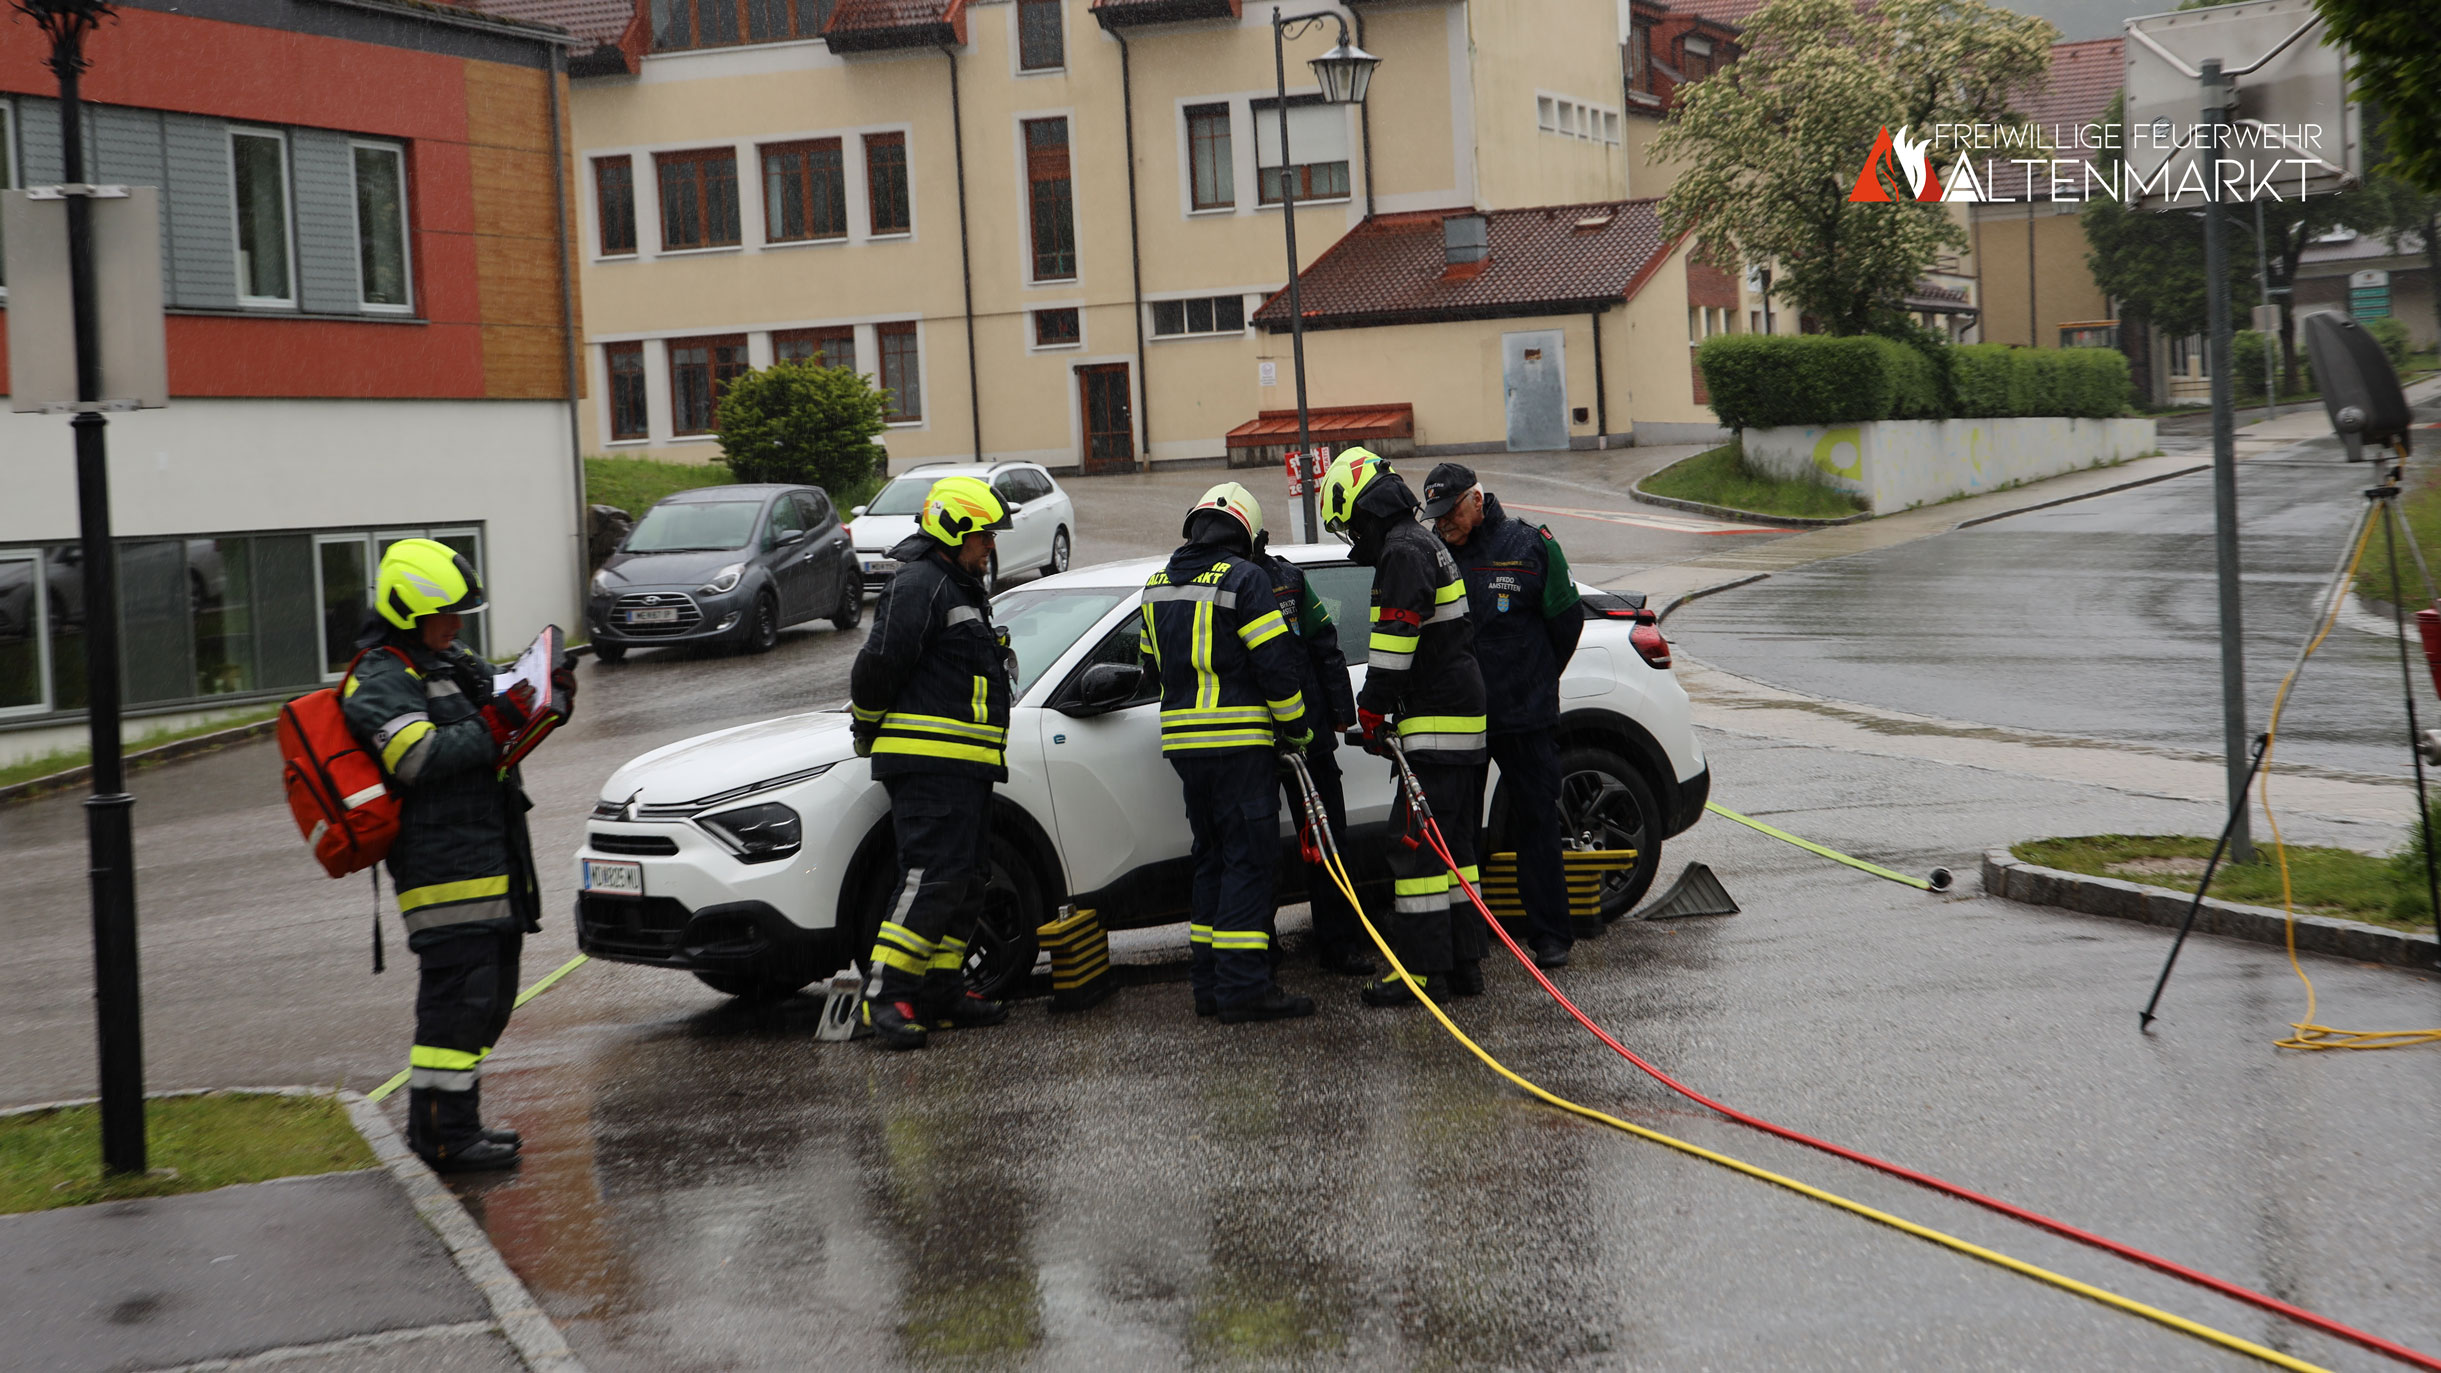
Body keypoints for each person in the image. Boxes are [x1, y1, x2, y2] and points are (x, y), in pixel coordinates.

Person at [343, 538, 576, 1172]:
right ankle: (444, 1137)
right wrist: (500, 719)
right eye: (447, 614)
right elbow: (417, 757)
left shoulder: (444, 660)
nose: (458, 624)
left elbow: (500, 692)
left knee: (491, 998)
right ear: (409, 613)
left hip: (489, 858)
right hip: (442, 872)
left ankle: (453, 1126)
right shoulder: (380, 677)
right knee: (457, 1003)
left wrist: (543, 690)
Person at [1316, 448, 1491, 1007]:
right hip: (1461, 720)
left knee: (1414, 850)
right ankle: (1465, 965)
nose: (1351, 538)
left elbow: (1395, 643)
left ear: (1362, 507)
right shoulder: (1425, 543)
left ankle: (1419, 971)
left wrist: (1370, 711)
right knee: (1455, 849)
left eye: (1347, 525)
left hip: (1437, 724)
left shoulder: (1401, 552)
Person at [851, 475, 1019, 1050]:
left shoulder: (957, 586)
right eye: (984, 535)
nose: (990, 545)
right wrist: (865, 724)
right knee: (928, 879)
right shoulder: (920, 583)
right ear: (952, 531)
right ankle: (885, 996)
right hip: (928, 766)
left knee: (966, 880)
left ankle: (943, 989)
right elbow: (877, 666)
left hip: (966, 767)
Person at [1139, 482, 1317, 1023]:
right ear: (1246, 533)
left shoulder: (1156, 586)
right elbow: (1275, 669)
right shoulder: (1247, 579)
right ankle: (1244, 988)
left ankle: (1209, 985)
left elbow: (1151, 672)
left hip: (1185, 747)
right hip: (1239, 743)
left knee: (1211, 858)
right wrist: (1299, 731)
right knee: (1249, 861)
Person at [1422, 463, 1585, 970]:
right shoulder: (1434, 553)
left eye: (1448, 513)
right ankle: (1470, 939)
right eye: (1435, 515)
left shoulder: (1532, 544)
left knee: (1536, 823)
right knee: (1462, 829)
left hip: (1525, 716)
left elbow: (1567, 621)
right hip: (1462, 718)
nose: (1441, 524)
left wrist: (1535, 678)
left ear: (1475, 500)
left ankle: (1551, 936)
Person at [1255, 536, 1375, 978]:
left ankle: (1339, 945)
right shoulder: (1222, 585)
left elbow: (1325, 644)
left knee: (1328, 841)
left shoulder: (1289, 580)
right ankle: (1259, 952)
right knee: (1256, 850)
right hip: (1254, 739)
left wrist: (1342, 713)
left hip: (1309, 732)